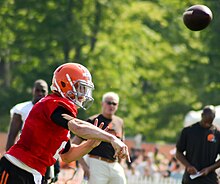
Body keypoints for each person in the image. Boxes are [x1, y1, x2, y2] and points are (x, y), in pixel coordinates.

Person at [0, 63, 130, 184]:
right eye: (80, 88)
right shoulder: (52, 103)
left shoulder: (61, 117)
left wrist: (90, 145)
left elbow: (68, 156)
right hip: (17, 168)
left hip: (34, 173)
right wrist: (111, 138)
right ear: (64, 84)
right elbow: (77, 126)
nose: (83, 95)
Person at [73, 92, 127, 184]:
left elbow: (123, 145)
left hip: (115, 164)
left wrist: (122, 164)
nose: (111, 105)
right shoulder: (92, 120)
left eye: (114, 103)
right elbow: (74, 143)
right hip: (96, 163)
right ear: (102, 103)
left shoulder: (119, 122)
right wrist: (84, 166)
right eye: (108, 102)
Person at [176, 105, 220, 184]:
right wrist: (188, 166)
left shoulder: (217, 134)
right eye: (206, 121)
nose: (207, 124)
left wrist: (209, 169)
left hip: (210, 179)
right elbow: (178, 152)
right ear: (202, 115)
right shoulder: (188, 131)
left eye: (210, 122)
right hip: (191, 178)